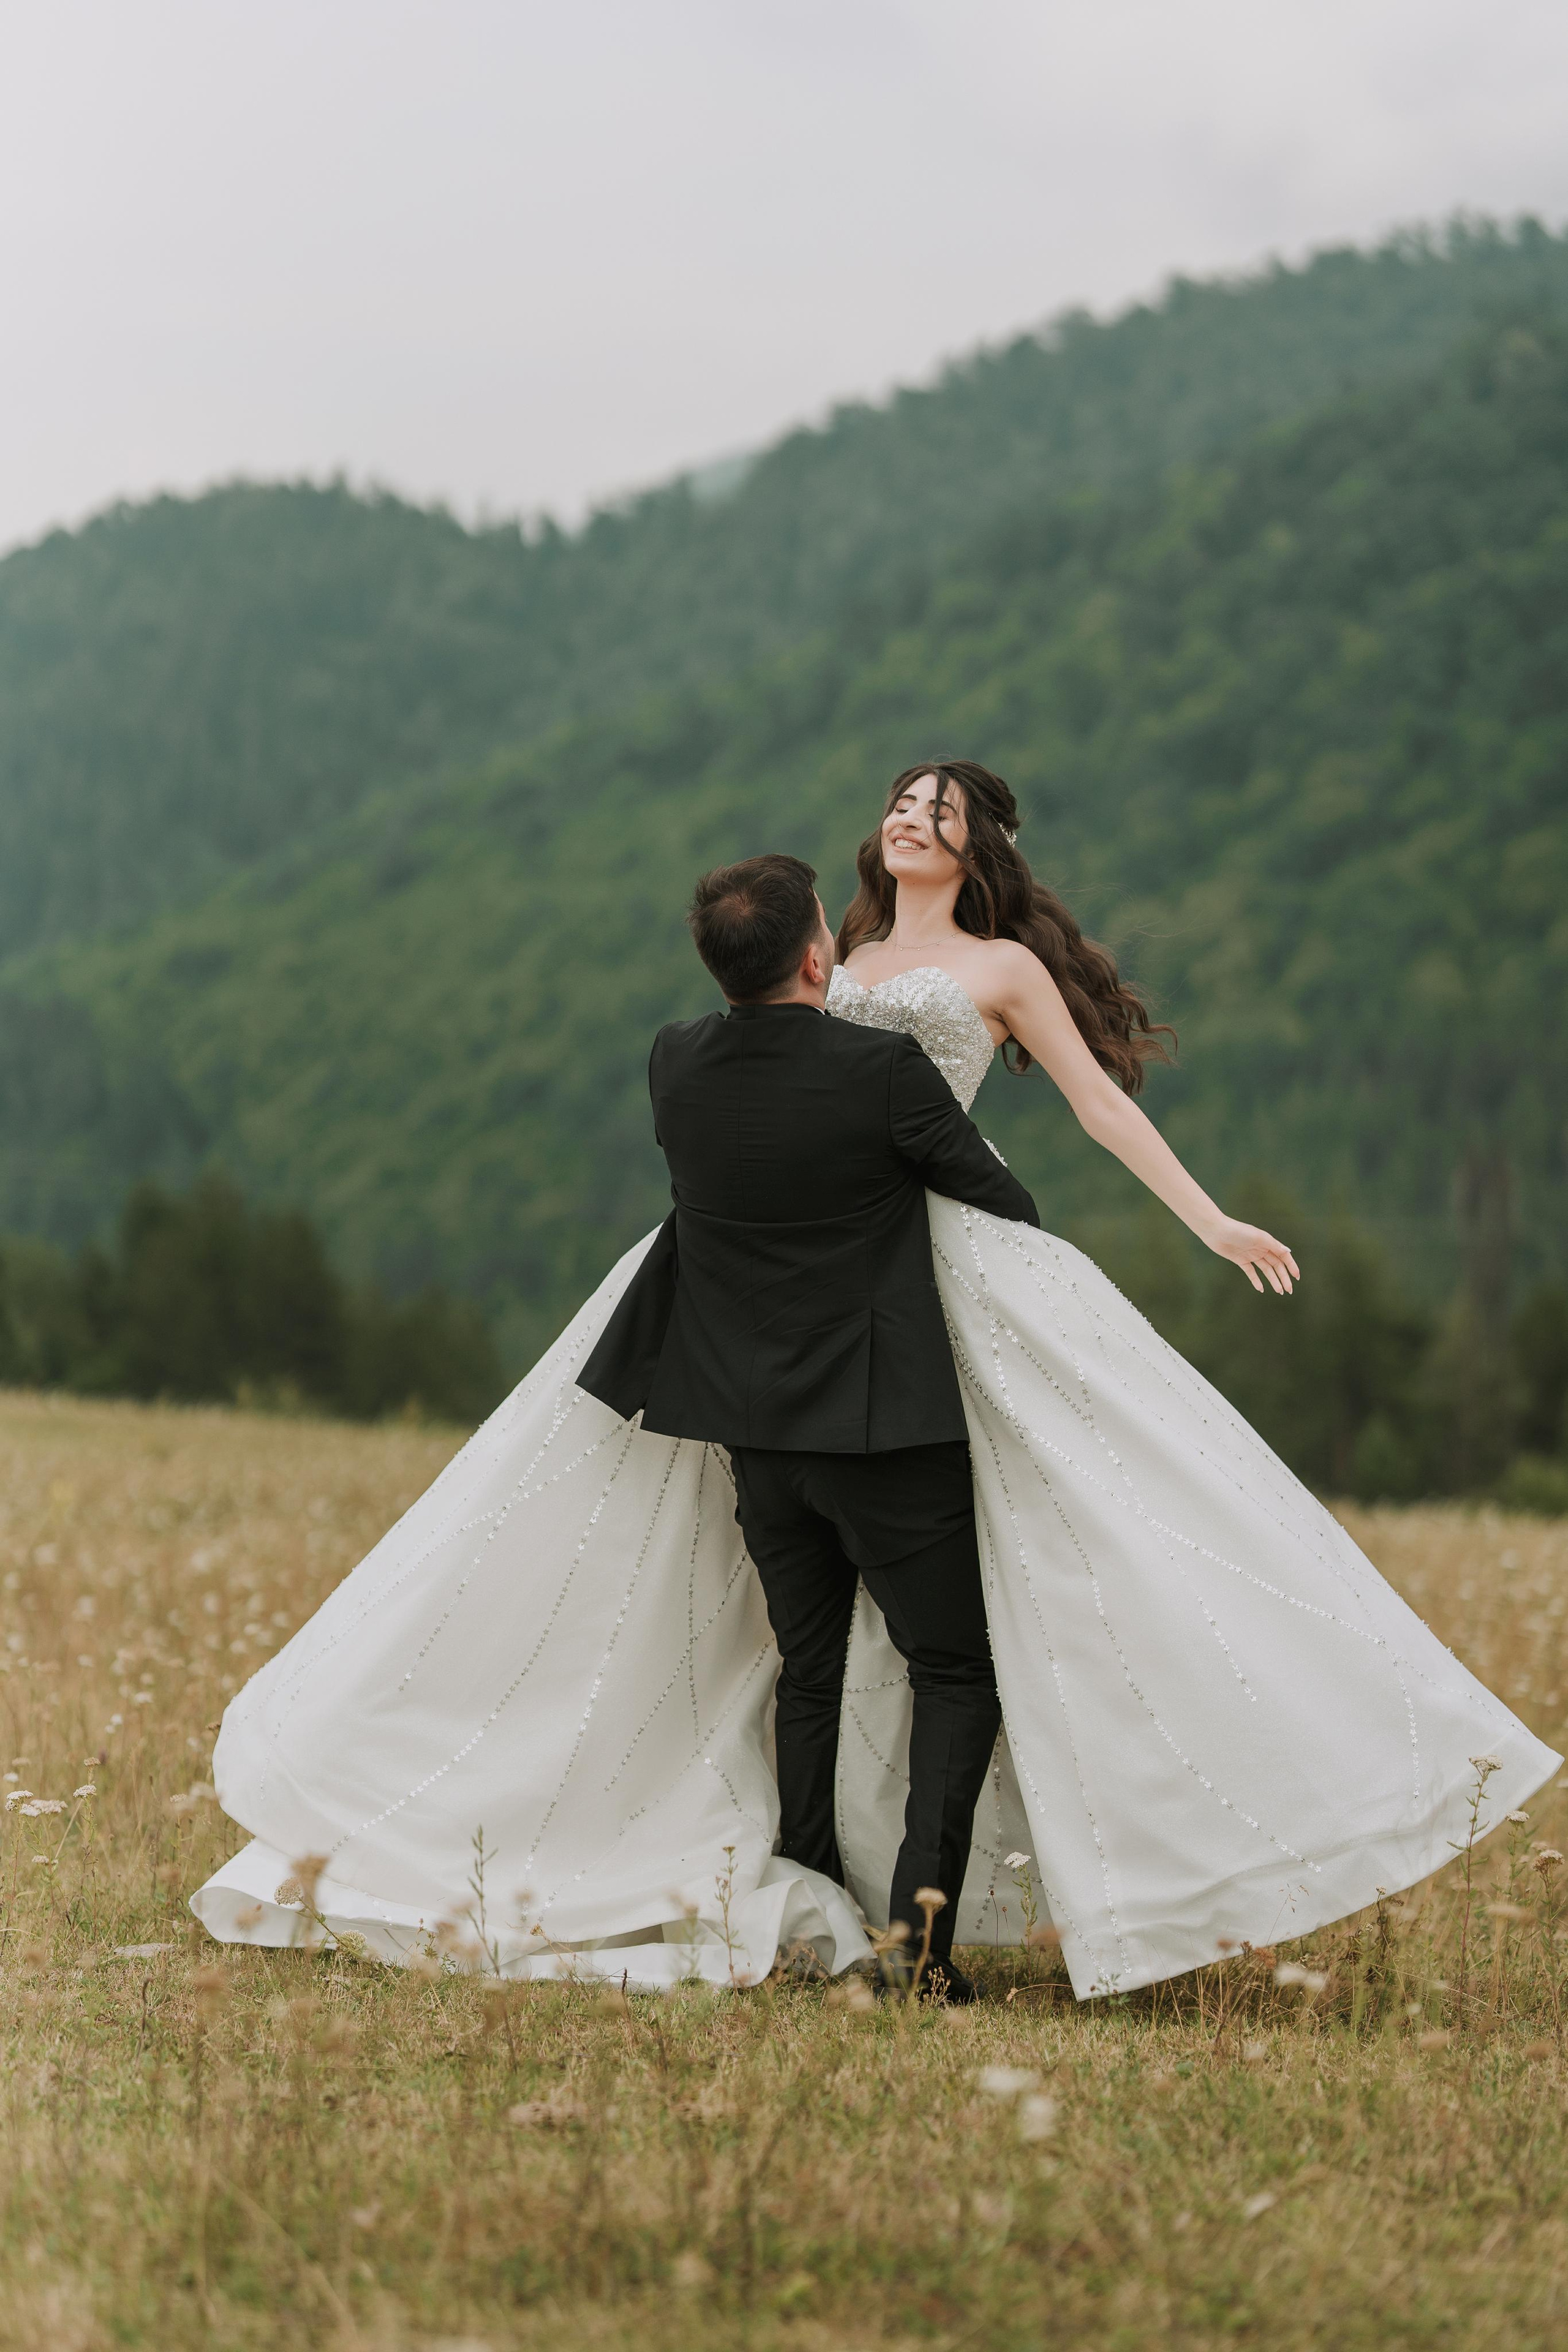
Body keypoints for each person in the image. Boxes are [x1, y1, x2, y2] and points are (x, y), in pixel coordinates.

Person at [192, 762, 1559, 1999]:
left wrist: (1204, 1219)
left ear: (978, 850)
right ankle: (854, 1904)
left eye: (941, 810)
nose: (911, 817)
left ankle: (937, 1895)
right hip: (810, 1285)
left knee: (1003, 1570)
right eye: (903, 802)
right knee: (820, 1636)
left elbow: (1092, 1101)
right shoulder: (830, 957)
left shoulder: (1003, 965)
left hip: (933, 1266)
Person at [578, 853, 1039, 1997]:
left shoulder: (674, 1062)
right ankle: (921, 1955)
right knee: (955, 1666)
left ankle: (809, 1911)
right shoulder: (880, 1072)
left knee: (811, 1671)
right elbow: (1001, 1203)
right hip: (886, 1430)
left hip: (756, 1438)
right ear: (816, 958)